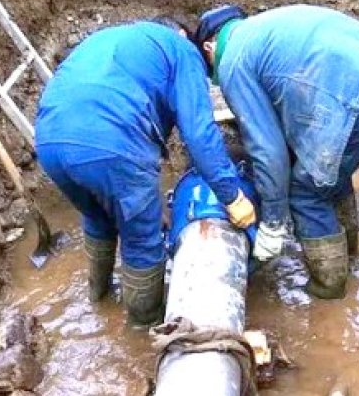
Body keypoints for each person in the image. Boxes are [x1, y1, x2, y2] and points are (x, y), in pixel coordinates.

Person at [34, 18, 256, 327]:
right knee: (142, 242)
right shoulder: (182, 50)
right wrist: (232, 196)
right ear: (183, 36)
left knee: (98, 216)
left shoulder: (114, 39)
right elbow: (200, 134)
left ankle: (99, 300)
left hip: (49, 140)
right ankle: (142, 329)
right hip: (112, 143)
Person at [193, 4, 359, 298]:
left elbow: (268, 151)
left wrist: (272, 223)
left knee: (305, 190)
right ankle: (348, 257)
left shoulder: (232, 59)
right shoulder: (264, 28)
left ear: (209, 47)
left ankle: (329, 291)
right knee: (328, 172)